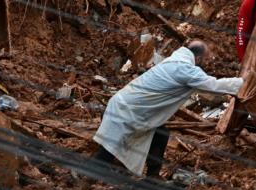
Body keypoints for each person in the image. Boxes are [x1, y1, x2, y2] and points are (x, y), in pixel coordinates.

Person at [91, 40, 243, 180]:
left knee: (160, 133)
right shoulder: (184, 68)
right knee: (109, 150)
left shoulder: (175, 61)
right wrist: (244, 82)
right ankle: (87, 177)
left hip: (128, 106)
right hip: (128, 110)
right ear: (198, 58)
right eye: (206, 58)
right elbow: (213, 86)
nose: (207, 62)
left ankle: (152, 176)